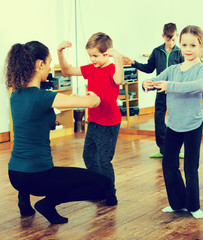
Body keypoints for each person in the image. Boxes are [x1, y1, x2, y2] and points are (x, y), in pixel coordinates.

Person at [6, 41, 114, 225]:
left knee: (26, 153)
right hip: (37, 177)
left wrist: (68, 100)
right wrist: (93, 95)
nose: (49, 67)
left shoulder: (15, 95)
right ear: (40, 64)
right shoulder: (44, 97)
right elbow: (92, 103)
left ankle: (24, 203)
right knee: (103, 184)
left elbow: (39, 114)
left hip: (15, 174)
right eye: (48, 62)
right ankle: (48, 204)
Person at [142, 25, 203, 219]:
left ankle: (194, 205)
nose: (188, 49)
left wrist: (169, 86)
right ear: (179, 45)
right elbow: (156, 80)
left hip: (193, 125)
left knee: (190, 167)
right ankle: (177, 203)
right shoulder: (172, 70)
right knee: (168, 164)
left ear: (200, 46)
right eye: (185, 44)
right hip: (173, 125)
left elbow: (198, 86)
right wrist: (147, 84)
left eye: (193, 45)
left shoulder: (201, 70)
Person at [57, 32, 124, 205]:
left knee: (103, 160)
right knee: (88, 156)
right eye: (90, 55)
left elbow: (119, 79)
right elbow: (66, 71)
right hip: (93, 121)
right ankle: (98, 187)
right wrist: (60, 52)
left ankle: (110, 193)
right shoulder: (90, 69)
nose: (92, 59)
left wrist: (118, 58)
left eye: (95, 56)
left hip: (109, 123)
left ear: (106, 54)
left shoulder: (111, 69)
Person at [123, 23, 184, 158]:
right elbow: (149, 68)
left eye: (173, 39)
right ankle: (162, 149)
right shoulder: (157, 52)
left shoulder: (180, 53)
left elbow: (185, 71)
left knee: (176, 122)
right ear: (163, 36)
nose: (171, 43)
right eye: (168, 39)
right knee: (159, 121)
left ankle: (177, 150)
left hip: (175, 93)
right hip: (161, 92)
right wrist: (133, 62)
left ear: (177, 36)